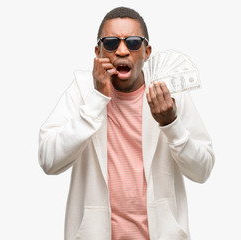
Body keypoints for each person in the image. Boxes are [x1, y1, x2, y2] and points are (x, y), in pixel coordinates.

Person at [38, 6, 214, 240]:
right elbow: (49, 160)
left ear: (147, 51)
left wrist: (171, 124)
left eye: (133, 42)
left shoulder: (169, 95)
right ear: (98, 51)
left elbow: (202, 171)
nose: (122, 50)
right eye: (110, 43)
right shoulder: (82, 92)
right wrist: (96, 100)